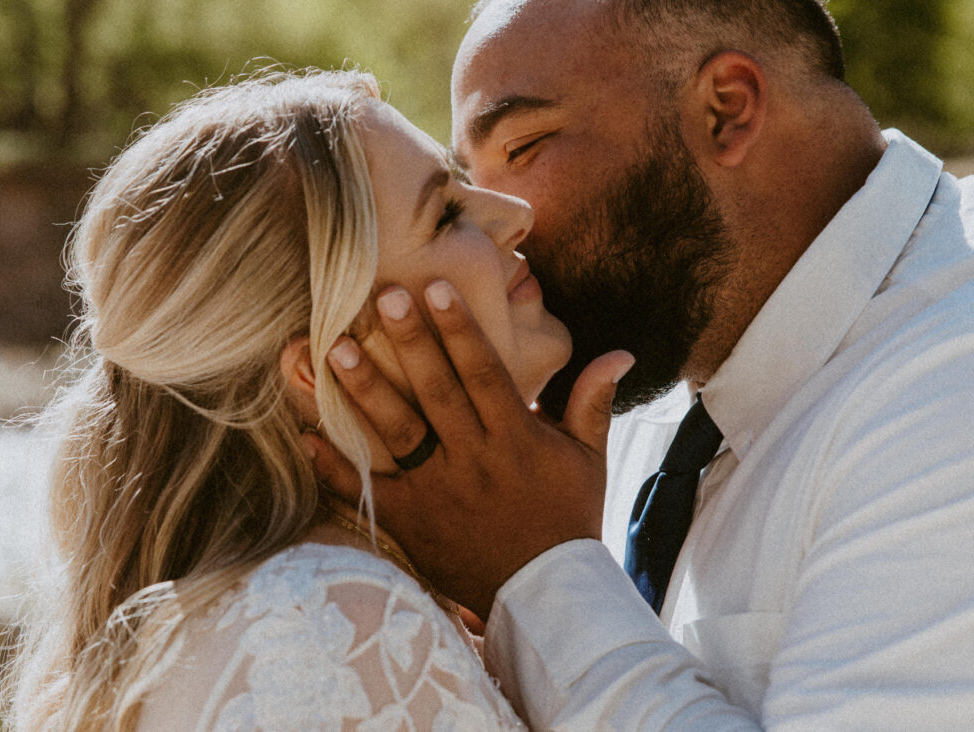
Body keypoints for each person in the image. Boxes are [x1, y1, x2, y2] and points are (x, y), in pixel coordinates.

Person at [310, 0, 974, 728]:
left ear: (727, 109)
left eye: (523, 146)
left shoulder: (948, 391)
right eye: (463, 184)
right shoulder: (636, 364)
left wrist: (537, 576)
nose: (506, 219)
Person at [1, 69, 625, 730]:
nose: (514, 215)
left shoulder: (285, 606)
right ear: (322, 364)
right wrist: (555, 570)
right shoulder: (340, 624)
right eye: (445, 214)